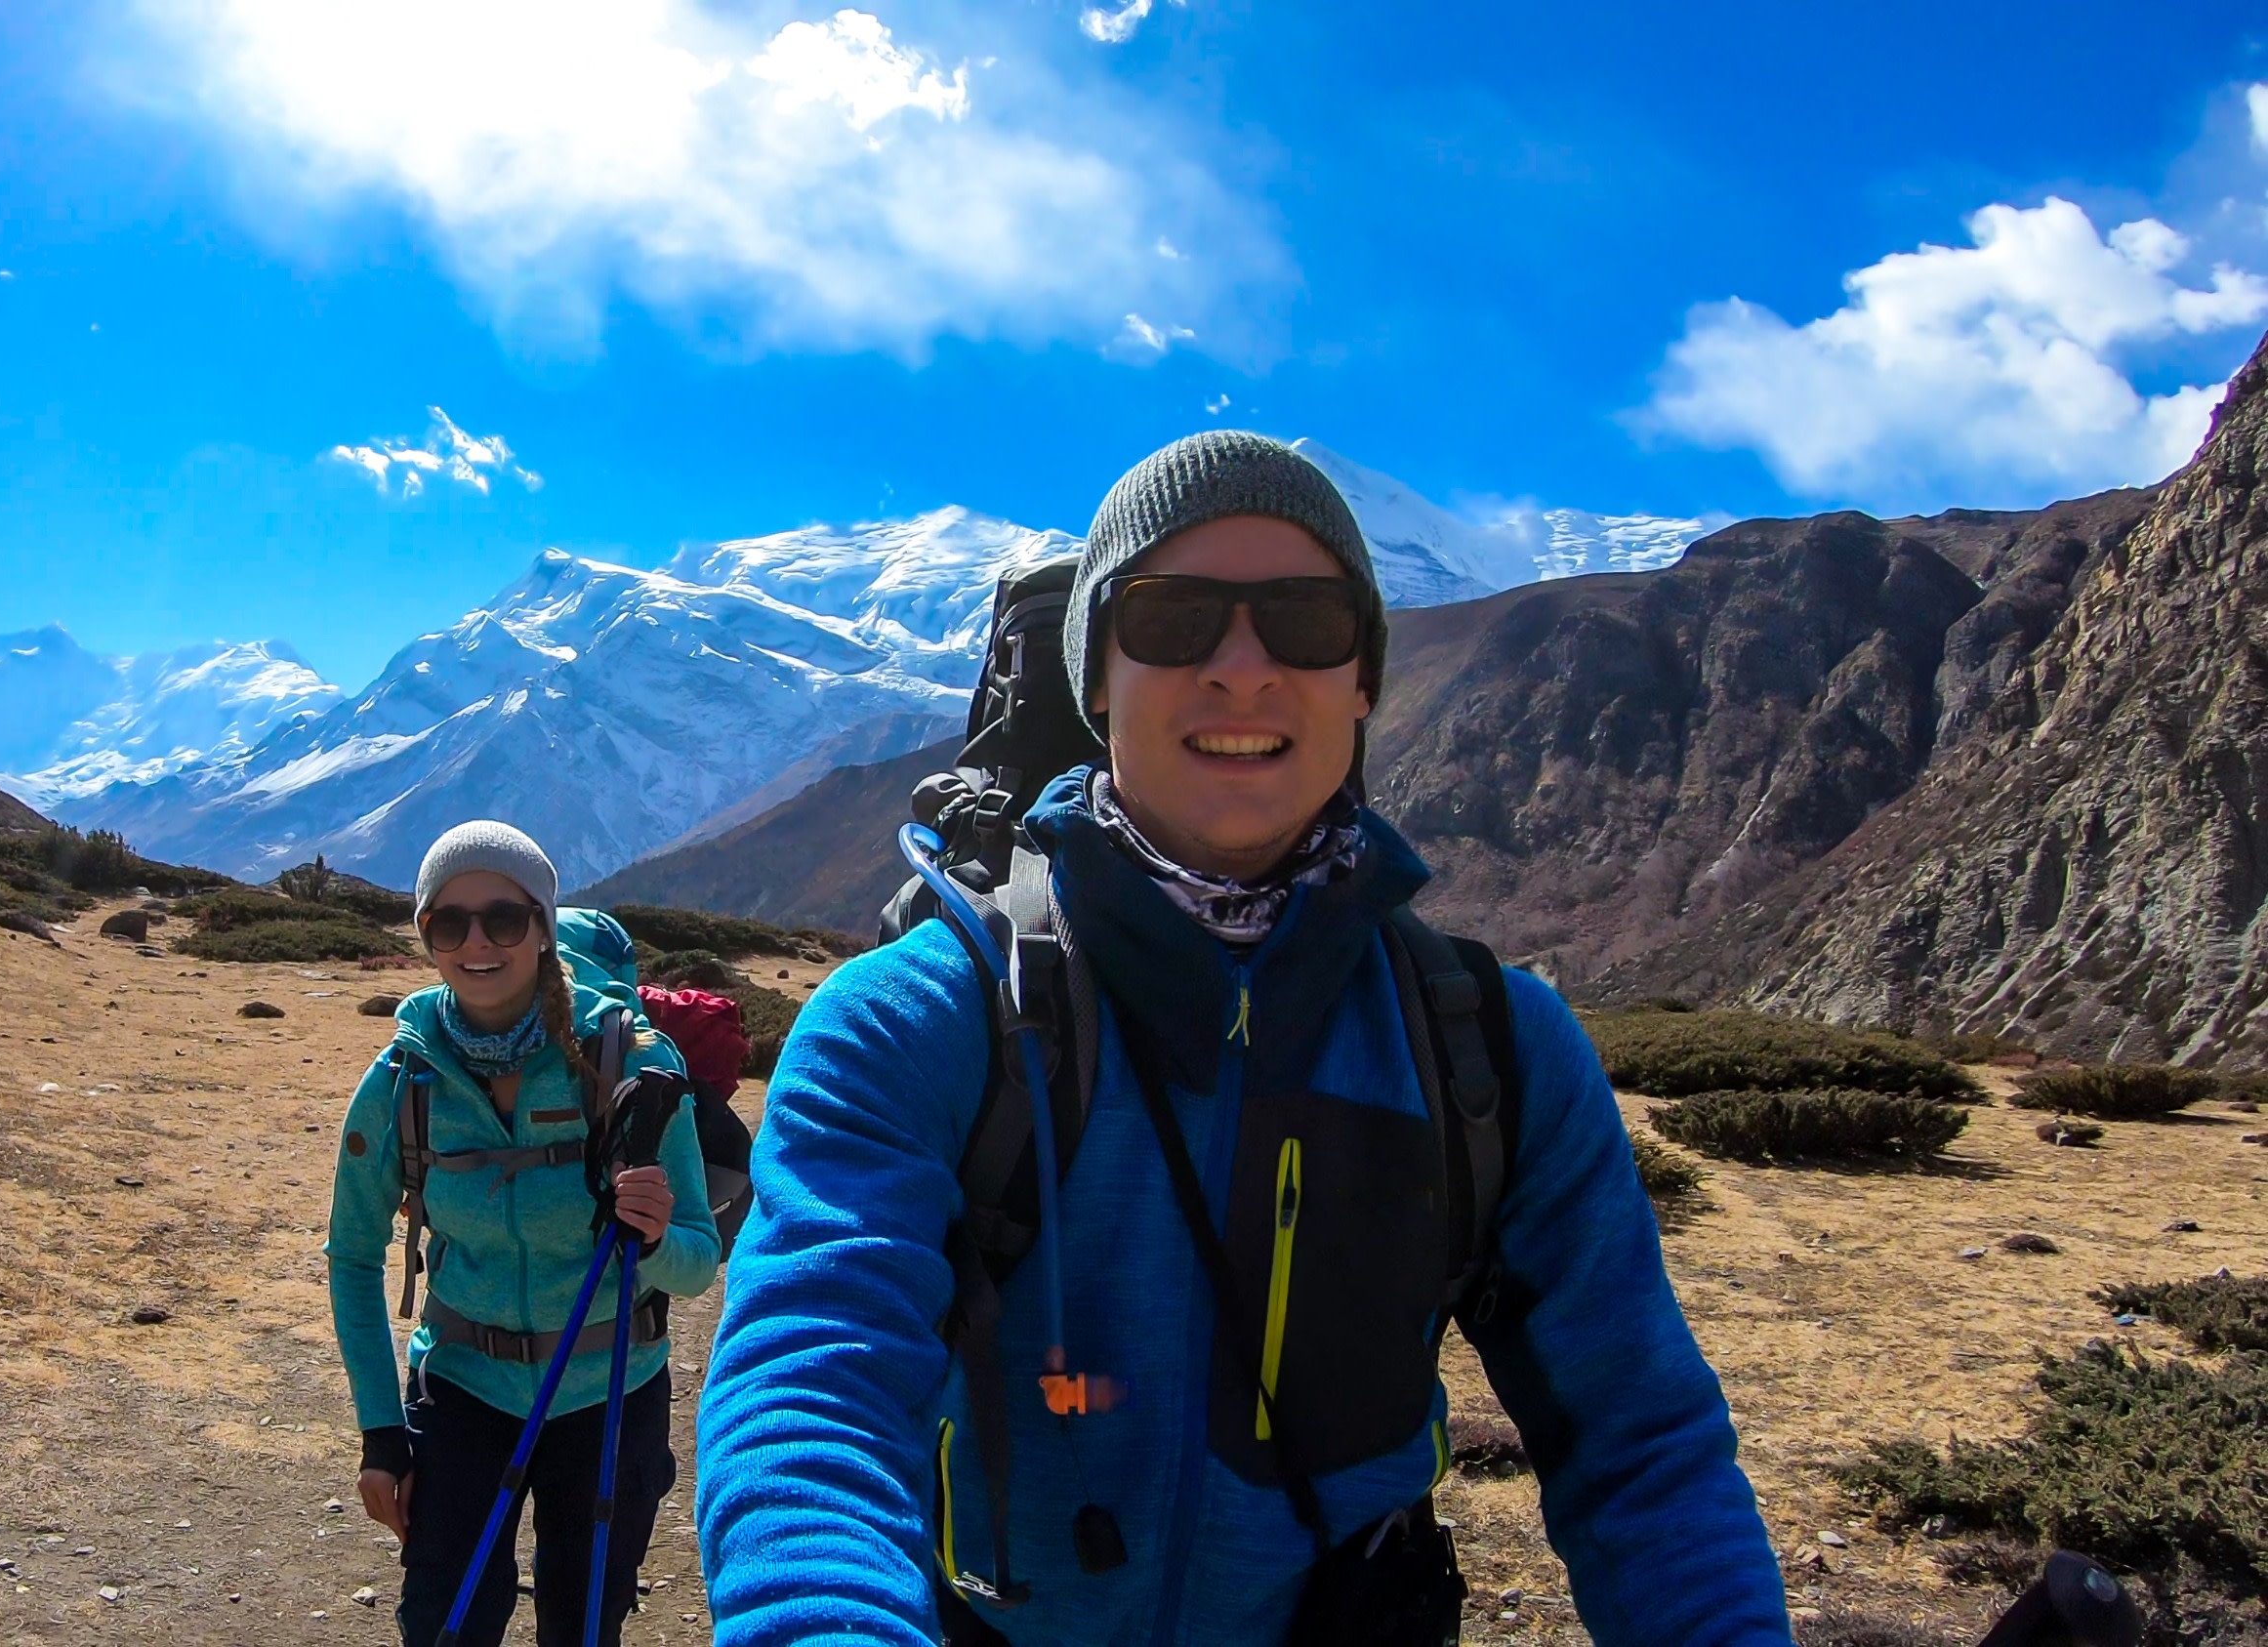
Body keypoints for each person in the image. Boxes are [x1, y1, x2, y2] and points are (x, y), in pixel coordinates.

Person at [693, 433, 1791, 1646]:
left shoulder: (1495, 1049)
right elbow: (811, 1398)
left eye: (1306, 622)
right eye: (1173, 618)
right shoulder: (920, 1021)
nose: (1242, 669)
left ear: (1363, 680)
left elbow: (1646, 1450)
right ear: (1096, 676)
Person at [328, 821, 720, 1647]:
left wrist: (654, 1239)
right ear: (426, 935)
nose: (478, 942)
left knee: (583, 1626)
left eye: (504, 918)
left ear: (543, 926)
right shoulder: (402, 1078)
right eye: (450, 922)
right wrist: (381, 1433)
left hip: (610, 1393)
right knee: (446, 1622)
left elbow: (697, 1263)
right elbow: (354, 1256)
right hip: (463, 1389)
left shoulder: (629, 1061)